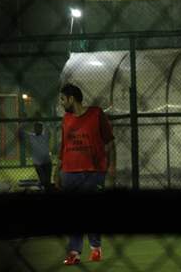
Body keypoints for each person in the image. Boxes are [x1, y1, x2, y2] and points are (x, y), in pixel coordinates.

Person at [56, 83, 116, 265]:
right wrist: (57, 171)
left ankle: (95, 248)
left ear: (71, 99)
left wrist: (112, 165)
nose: (61, 103)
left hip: (94, 172)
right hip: (70, 173)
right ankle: (74, 252)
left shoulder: (97, 114)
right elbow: (62, 147)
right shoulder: (65, 119)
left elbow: (110, 142)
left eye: (62, 99)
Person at [19, 121, 52, 191]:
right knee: (44, 180)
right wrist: (24, 123)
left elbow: (48, 129)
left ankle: (41, 186)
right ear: (34, 129)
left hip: (47, 162)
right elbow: (21, 132)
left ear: (42, 128)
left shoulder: (45, 135)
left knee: (47, 182)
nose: (37, 129)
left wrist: (43, 122)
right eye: (36, 128)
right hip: (38, 163)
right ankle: (40, 184)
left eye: (39, 128)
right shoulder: (31, 136)